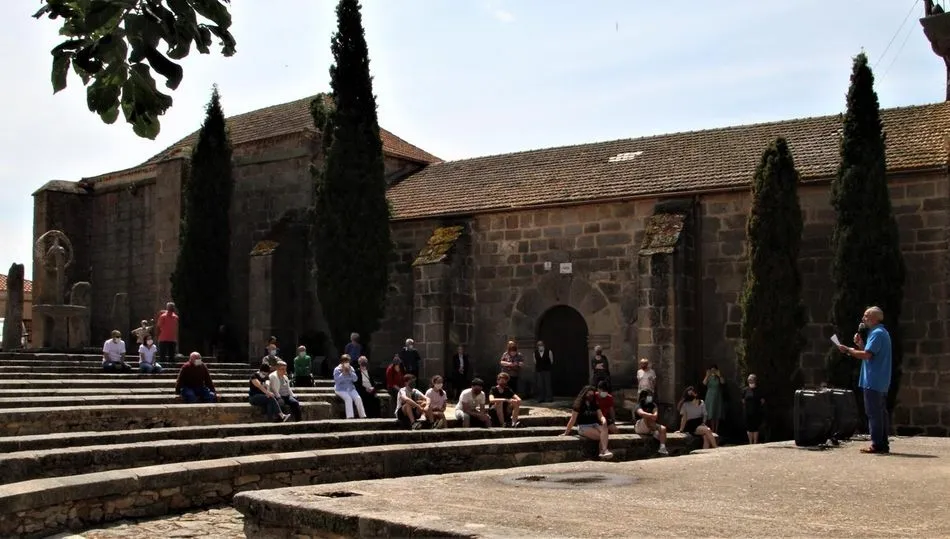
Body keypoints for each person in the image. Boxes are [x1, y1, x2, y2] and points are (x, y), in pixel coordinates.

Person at [837, 306, 892, 454]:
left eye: (866, 316)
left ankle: (877, 445)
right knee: (880, 413)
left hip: (874, 380)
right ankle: (882, 444)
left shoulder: (877, 333)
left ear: (875, 319)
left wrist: (848, 350)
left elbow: (867, 355)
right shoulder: (881, 332)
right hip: (879, 380)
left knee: (874, 413)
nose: (863, 318)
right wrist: (860, 345)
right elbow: (870, 353)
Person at [560, 385, 614, 460]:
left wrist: (603, 420)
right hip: (583, 426)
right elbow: (573, 419)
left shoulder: (594, 404)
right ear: (584, 394)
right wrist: (566, 432)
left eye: (592, 395)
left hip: (595, 425)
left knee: (604, 430)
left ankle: (603, 451)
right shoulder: (578, 405)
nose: (590, 396)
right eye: (588, 394)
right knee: (602, 436)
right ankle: (603, 451)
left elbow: (600, 415)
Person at [635, 388, 669, 455]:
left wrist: (652, 416)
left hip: (651, 426)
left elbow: (655, 415)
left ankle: (662, 448)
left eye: (651, 396)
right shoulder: (639, 405)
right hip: (639, 427)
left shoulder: (653, 405)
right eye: (649, 396)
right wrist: (650, 415)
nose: (651, 397)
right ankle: (654, 432)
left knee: (663, 428)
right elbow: (641, 413)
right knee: (646, 417)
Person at [333, 354, 366, 419]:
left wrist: (350, 372)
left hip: (351, 388)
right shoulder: (337, 369)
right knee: (348, 399)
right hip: (340, 389)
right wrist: (343, 373)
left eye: (348, 362)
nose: (347, 363)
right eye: (345, 362)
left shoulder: (351, 368)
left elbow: (355, 379)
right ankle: (350, 417)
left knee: (358, 398)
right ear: (342, 362)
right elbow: (337, 381)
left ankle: (362, 416)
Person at [741, 374, 765, 445]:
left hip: (756, 412)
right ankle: (750, 443)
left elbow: (762, 401)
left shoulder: (759, 390)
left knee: (755, 428)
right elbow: (743, 400)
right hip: (747, 412)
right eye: (749, 379)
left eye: (751, 379)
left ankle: (755, 443)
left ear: (755, 380)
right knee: (749, 428)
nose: (750, 380)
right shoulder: (745, 390)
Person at [702, 364, 724, 433]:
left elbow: (723, 382)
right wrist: (707, 375)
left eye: (714, 370)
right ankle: (712, 429)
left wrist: (719, 375)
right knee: (711, 412)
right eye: (712, 370)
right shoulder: (709, 377)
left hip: (717, 396)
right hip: (710, 396)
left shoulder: (718, 377)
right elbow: (704, 383)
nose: (713, 371)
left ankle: (716, 430)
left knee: (717, 412)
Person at [156, 302, 179, 367]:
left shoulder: (175, 317)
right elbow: (158, 327)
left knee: (171, 356)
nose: (171, 308)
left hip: (171, 339)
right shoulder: (163, 316)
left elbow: (175, 327)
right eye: (170, 307)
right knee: (163, 356)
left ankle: (170, 369)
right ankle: (163, 369)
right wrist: (158, 336)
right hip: (164, 338)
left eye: (172, 307)